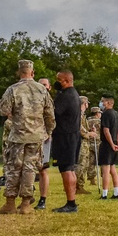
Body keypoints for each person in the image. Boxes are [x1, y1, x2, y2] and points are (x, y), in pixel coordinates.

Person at [0, 60, 55, 214]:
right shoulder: (42, 90)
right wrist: (49, 131)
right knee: (30, 169)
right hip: (36, 136)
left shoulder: (13, 89)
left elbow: (4, 110)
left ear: (19, 72)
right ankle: (26, 204)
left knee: (13, 169)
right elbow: (50, 115)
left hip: (17, 136)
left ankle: (10, 203)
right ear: (32, 73)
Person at [50, 70, 82, 213]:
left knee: (66, 169)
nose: (57, 82)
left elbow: (53, 112)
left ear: (67, 81)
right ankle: (71, 201)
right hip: (73, 136)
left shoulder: (66, 95)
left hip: (65, 136)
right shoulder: (74, 94)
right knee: (70, 168)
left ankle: (71, 203)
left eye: (59, 80)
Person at [98, 93, 118, 199]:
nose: (101, 103)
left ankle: (104, 194)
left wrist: (111, 144)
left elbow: (106, 130)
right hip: (115, 143)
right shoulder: (116, 114)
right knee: (113, 169)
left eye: (103, 101)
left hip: (107, 144)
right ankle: (116, 192)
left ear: (108, 102)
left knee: (105, 170)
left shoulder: (106, 114)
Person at [37, 77, 53, 209]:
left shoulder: (50, 101)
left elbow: (52, 119)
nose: (42, 86)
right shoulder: (33, 98)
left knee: (43, 169)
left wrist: (49, 133)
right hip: (31, 136)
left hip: (45, 137)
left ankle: (42, 199)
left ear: (49, 87)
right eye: (40, 84)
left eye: (44, 84)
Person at [74, 96, 96, 194]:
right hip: (81, 142)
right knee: (81, 164)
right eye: (87, 103)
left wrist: (90, 130)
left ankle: (79, 185)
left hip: (84, 142)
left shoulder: (82, 115)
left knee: (85, 164)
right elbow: (79, 127)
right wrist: (88, 134)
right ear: (84, 103)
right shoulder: (78, 114)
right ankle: (77, 185)